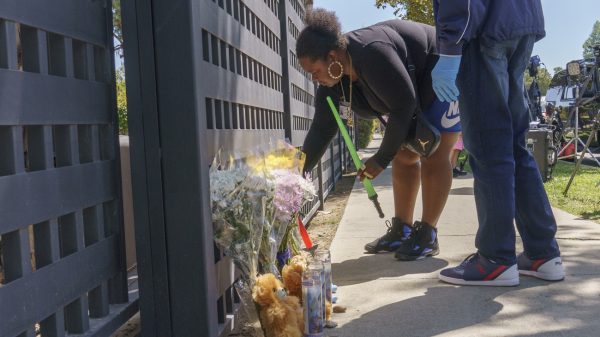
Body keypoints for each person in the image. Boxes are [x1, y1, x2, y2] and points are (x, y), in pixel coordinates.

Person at [297, 9, 461, 261]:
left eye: (315, 71)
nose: (314, 79)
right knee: (405, 157)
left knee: (435, 155)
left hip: (439, 69)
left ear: (332, 57)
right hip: (411, 91)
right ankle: (403, 229)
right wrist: (297, 175)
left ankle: (428, 234)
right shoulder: (333, 80)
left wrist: (380, 158)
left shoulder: (371, 52)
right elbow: (321, 130)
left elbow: (403, 104)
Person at [431, 0, 565, 286]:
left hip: (482, 30)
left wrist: (451, 45)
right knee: (515, 147)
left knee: (490, 146)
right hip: (519, 22)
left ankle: (495, 260)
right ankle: (543, 254)